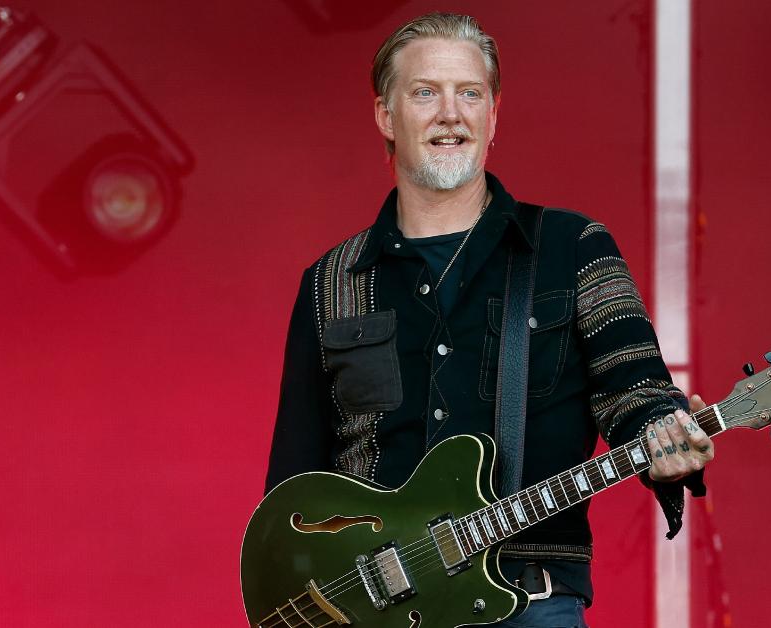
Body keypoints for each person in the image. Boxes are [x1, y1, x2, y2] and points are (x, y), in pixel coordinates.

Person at [264, 13, 713, 627]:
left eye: (469, 93)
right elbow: (293, 488)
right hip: (373, 613)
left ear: (493, 116)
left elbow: (638, 393)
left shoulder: (572, 246)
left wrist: (664, 434)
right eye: (425, 92)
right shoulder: (332, 282)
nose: (451, 113)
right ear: (385, 116)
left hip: (530, 597)